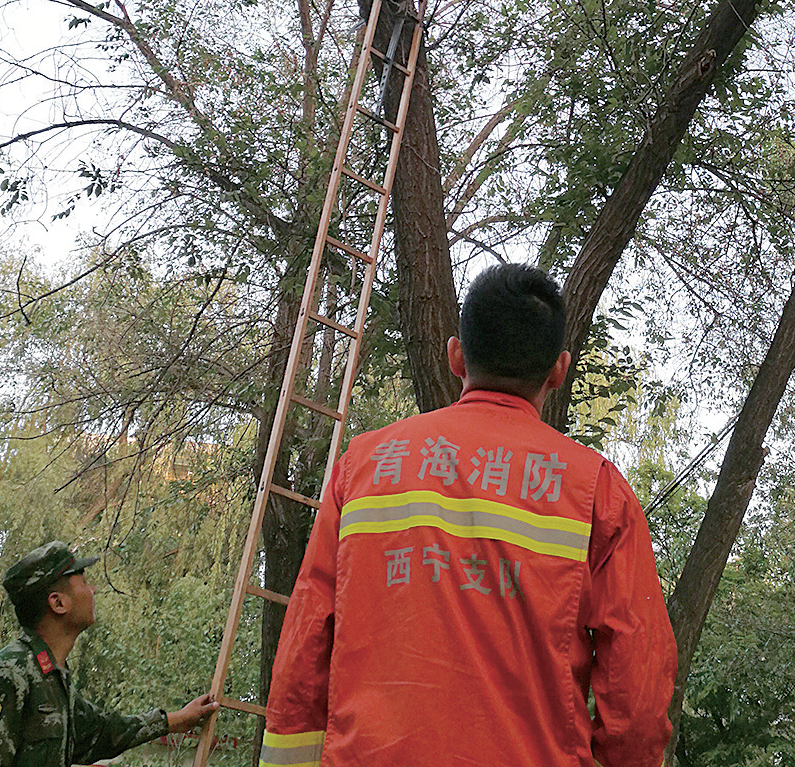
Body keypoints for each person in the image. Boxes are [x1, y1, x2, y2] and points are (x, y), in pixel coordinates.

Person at [260, 263, 676, 767]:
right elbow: (638, 688)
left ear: (456, 356)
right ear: (559, 370)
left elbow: (306, 646)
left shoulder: (365, 469)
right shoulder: (598, 493)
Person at [0, 542, 219, 767]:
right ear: (58, 603)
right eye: (84, 582)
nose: (94, 589)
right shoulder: (7, 674)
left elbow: (103, 731)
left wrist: (178, 720)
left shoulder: (54, 679)